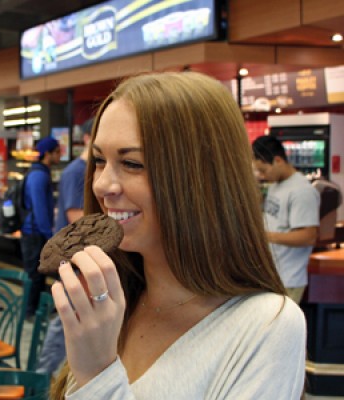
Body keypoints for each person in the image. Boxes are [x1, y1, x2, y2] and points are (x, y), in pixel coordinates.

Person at [49, 72, 306, 399]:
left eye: (131, 163)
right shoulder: (115, 303)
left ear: (201, 177)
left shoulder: (268, 326)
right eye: (99, 160)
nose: (101, 185)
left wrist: (98, 373)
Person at [37, 118, 92, 376]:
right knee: (64, 321)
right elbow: (75, 217)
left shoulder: (89, 170)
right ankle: (41, 379)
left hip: (83, 259)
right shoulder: (76, 172)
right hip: (74, 260)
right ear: (90, 138)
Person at [252, 135, 320, 303]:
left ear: (278, 160)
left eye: (263, 170)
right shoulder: (276, 184)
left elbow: (308, 236)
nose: (261, 175)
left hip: (288, 279)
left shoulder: (302, 191)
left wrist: (264, 236)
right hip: (273, 276)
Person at [21, 136, 61, 319]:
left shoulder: (40, 172)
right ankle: (29, 312)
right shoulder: (39, 176)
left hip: (34, 232)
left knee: (37, 274)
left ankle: (33, 310)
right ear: (48, 154)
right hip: (34, 233)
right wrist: (49, 235)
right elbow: (39, 208)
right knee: (34, 275)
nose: (60, 155)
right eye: (57, 151)